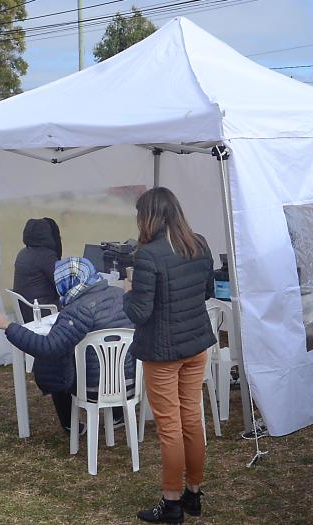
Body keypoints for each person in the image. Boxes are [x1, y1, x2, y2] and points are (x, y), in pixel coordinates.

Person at [124, 187, 215, 524]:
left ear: (148, 217)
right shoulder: (199, 243)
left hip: (163, 351)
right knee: (191, 419)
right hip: (195, 346)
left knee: (171, 428)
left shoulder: (147, 255)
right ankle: (193, 494)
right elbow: (206, 291)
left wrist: (127, 293)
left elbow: (139, 312)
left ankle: (172, 502)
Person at [0, 257, 135, 434]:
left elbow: (48, 348)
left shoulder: (78, 309)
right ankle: (117, 415)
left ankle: (71, 424)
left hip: (94, 389)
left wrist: (8, 325)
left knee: (53, 363)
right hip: (129, 382)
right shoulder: (119, 294)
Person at [13, 218, 63, 323]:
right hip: (43, 312)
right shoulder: (45, 256)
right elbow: (62, 285)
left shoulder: (23, 253)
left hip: (28, 311)